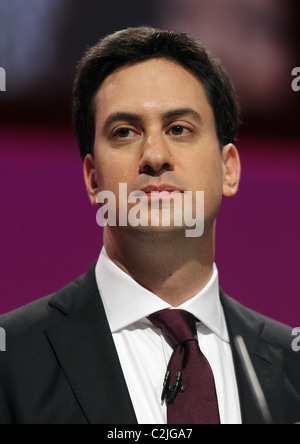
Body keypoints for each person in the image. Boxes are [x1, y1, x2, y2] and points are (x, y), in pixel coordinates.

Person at [0, 27, 299, 425]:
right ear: (92, 179)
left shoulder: (290, 367)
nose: (155, 156)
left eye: (179, 128)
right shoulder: (13, 360)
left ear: (229, 169)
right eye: (125, 132)